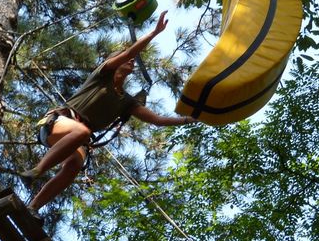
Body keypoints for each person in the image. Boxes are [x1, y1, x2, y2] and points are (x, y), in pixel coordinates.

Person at [22, 11, 195, 212]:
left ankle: (33, 207)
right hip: (59, 122)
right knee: (82, 132)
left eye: (132, 61)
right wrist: (154, 33)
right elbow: (130, 53)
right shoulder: (102, 75)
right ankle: (36, 171)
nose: (131, 61)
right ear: (114, 62)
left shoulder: (127, 102)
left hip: (76, 137)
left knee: (73, 167)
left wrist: (191, 119)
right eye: (126, 59)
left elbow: (159, 120)